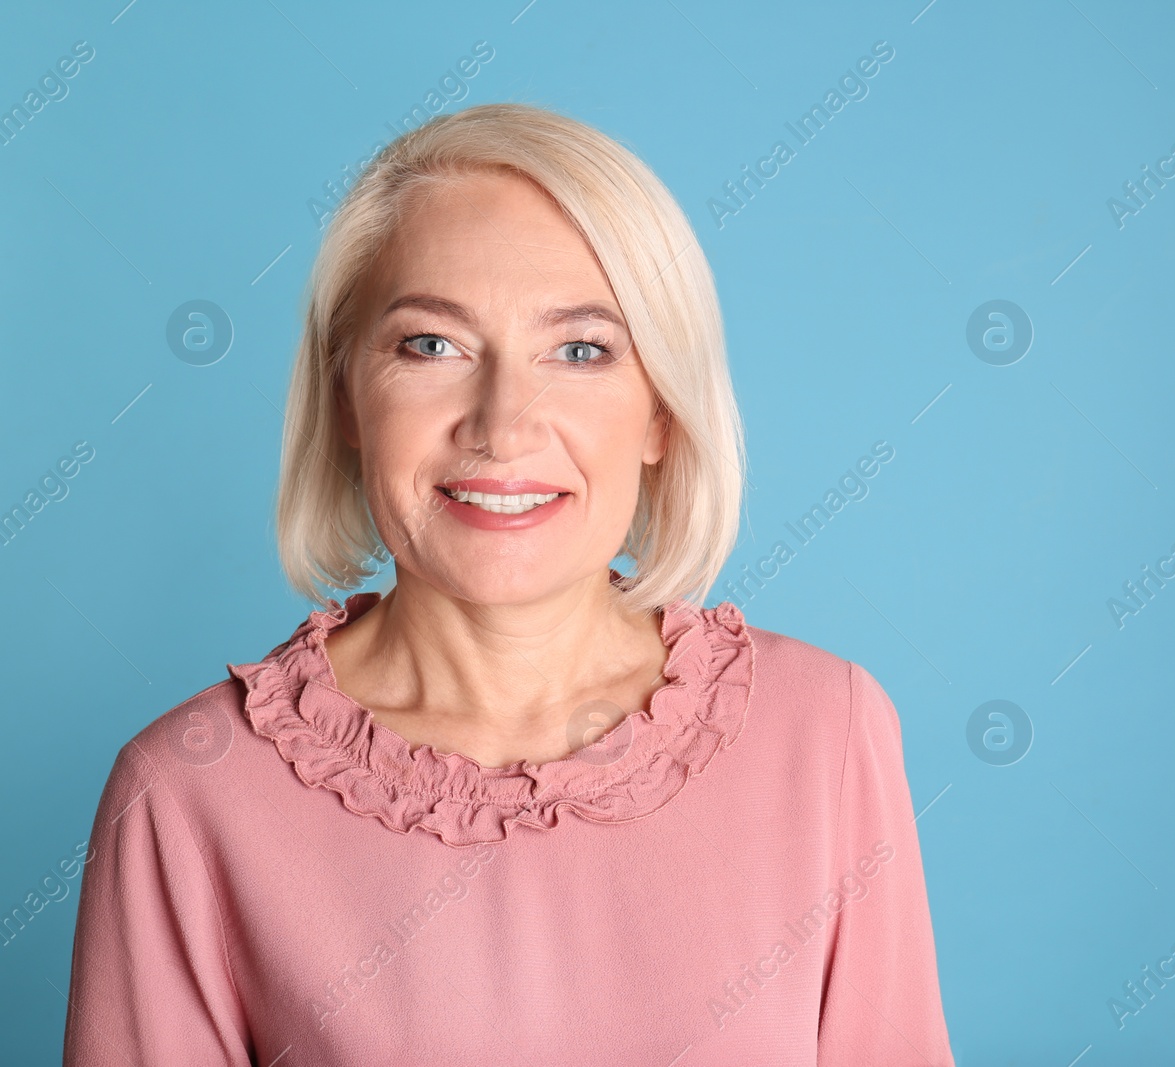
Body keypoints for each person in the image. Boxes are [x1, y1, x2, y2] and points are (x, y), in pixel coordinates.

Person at [62, 102, 953, 1066]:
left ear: (662, 412)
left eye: (581, 350)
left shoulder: (827, 733)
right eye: (430, 345)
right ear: (347, 397)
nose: (502, 424)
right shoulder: (185, 796)